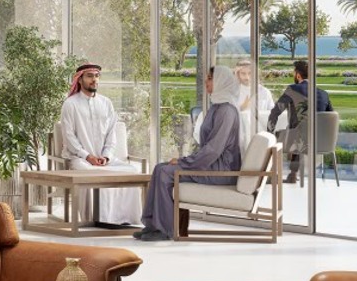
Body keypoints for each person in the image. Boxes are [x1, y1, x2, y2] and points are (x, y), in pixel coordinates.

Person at [137, 65, 242, 242]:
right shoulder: (218, 106)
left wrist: (184, 162)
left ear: (220, 82)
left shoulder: (226, 111)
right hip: (211, 165)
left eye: (209, 78)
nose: (206, 81)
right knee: (159, 168)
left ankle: (164, 230)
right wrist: (185, 161)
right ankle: (153, 225)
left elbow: (214, 149)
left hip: (221, 170)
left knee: (165, 172)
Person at [58, 62, 143, 229]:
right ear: (80, 79)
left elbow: (112, 135)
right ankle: (99, 219)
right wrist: (87, 156)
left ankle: (126, 219)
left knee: (131, 171)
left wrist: (106, 156)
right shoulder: (70, 104)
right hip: (79, 159)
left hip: (104, 158)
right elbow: (68, 137)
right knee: (91, 172)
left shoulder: (106, 103)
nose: (94, 80)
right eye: (89, 76)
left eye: (96, 76)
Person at [267, 59, 333, 184]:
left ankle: (271, 175)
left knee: (279, 136)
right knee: (300, 130)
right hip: (320, 141)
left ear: (297, 75)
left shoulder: (292, 89)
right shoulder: (324, 94)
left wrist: (269, 133)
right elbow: (330, 117)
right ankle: (293, 174)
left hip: (298, 140)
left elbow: (275, 112)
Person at [234, 59, 275, 151]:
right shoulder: (233, 92)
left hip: (262, 135)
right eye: (243, 73)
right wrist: (242, 108)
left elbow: (272, 113)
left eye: (250, 73)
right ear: (238, 75)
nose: (247, 77)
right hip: (239, 137)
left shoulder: (264, 92)